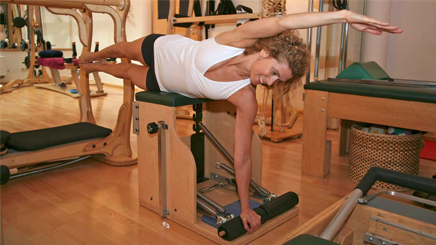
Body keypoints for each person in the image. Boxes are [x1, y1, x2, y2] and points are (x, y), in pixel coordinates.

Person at [80, 10, 402, 234]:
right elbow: (282, 21)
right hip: (164, 49)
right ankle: (91, 58)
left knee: (122, 71)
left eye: (279, 81)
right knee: (123, 49)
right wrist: (343, 16)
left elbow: (243, 155)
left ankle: (95, 69)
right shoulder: (236, 39)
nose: (271, 82)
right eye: (274, 72)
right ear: (264, 51)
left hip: (163, 82)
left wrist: (246, 207)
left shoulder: (245, 98)